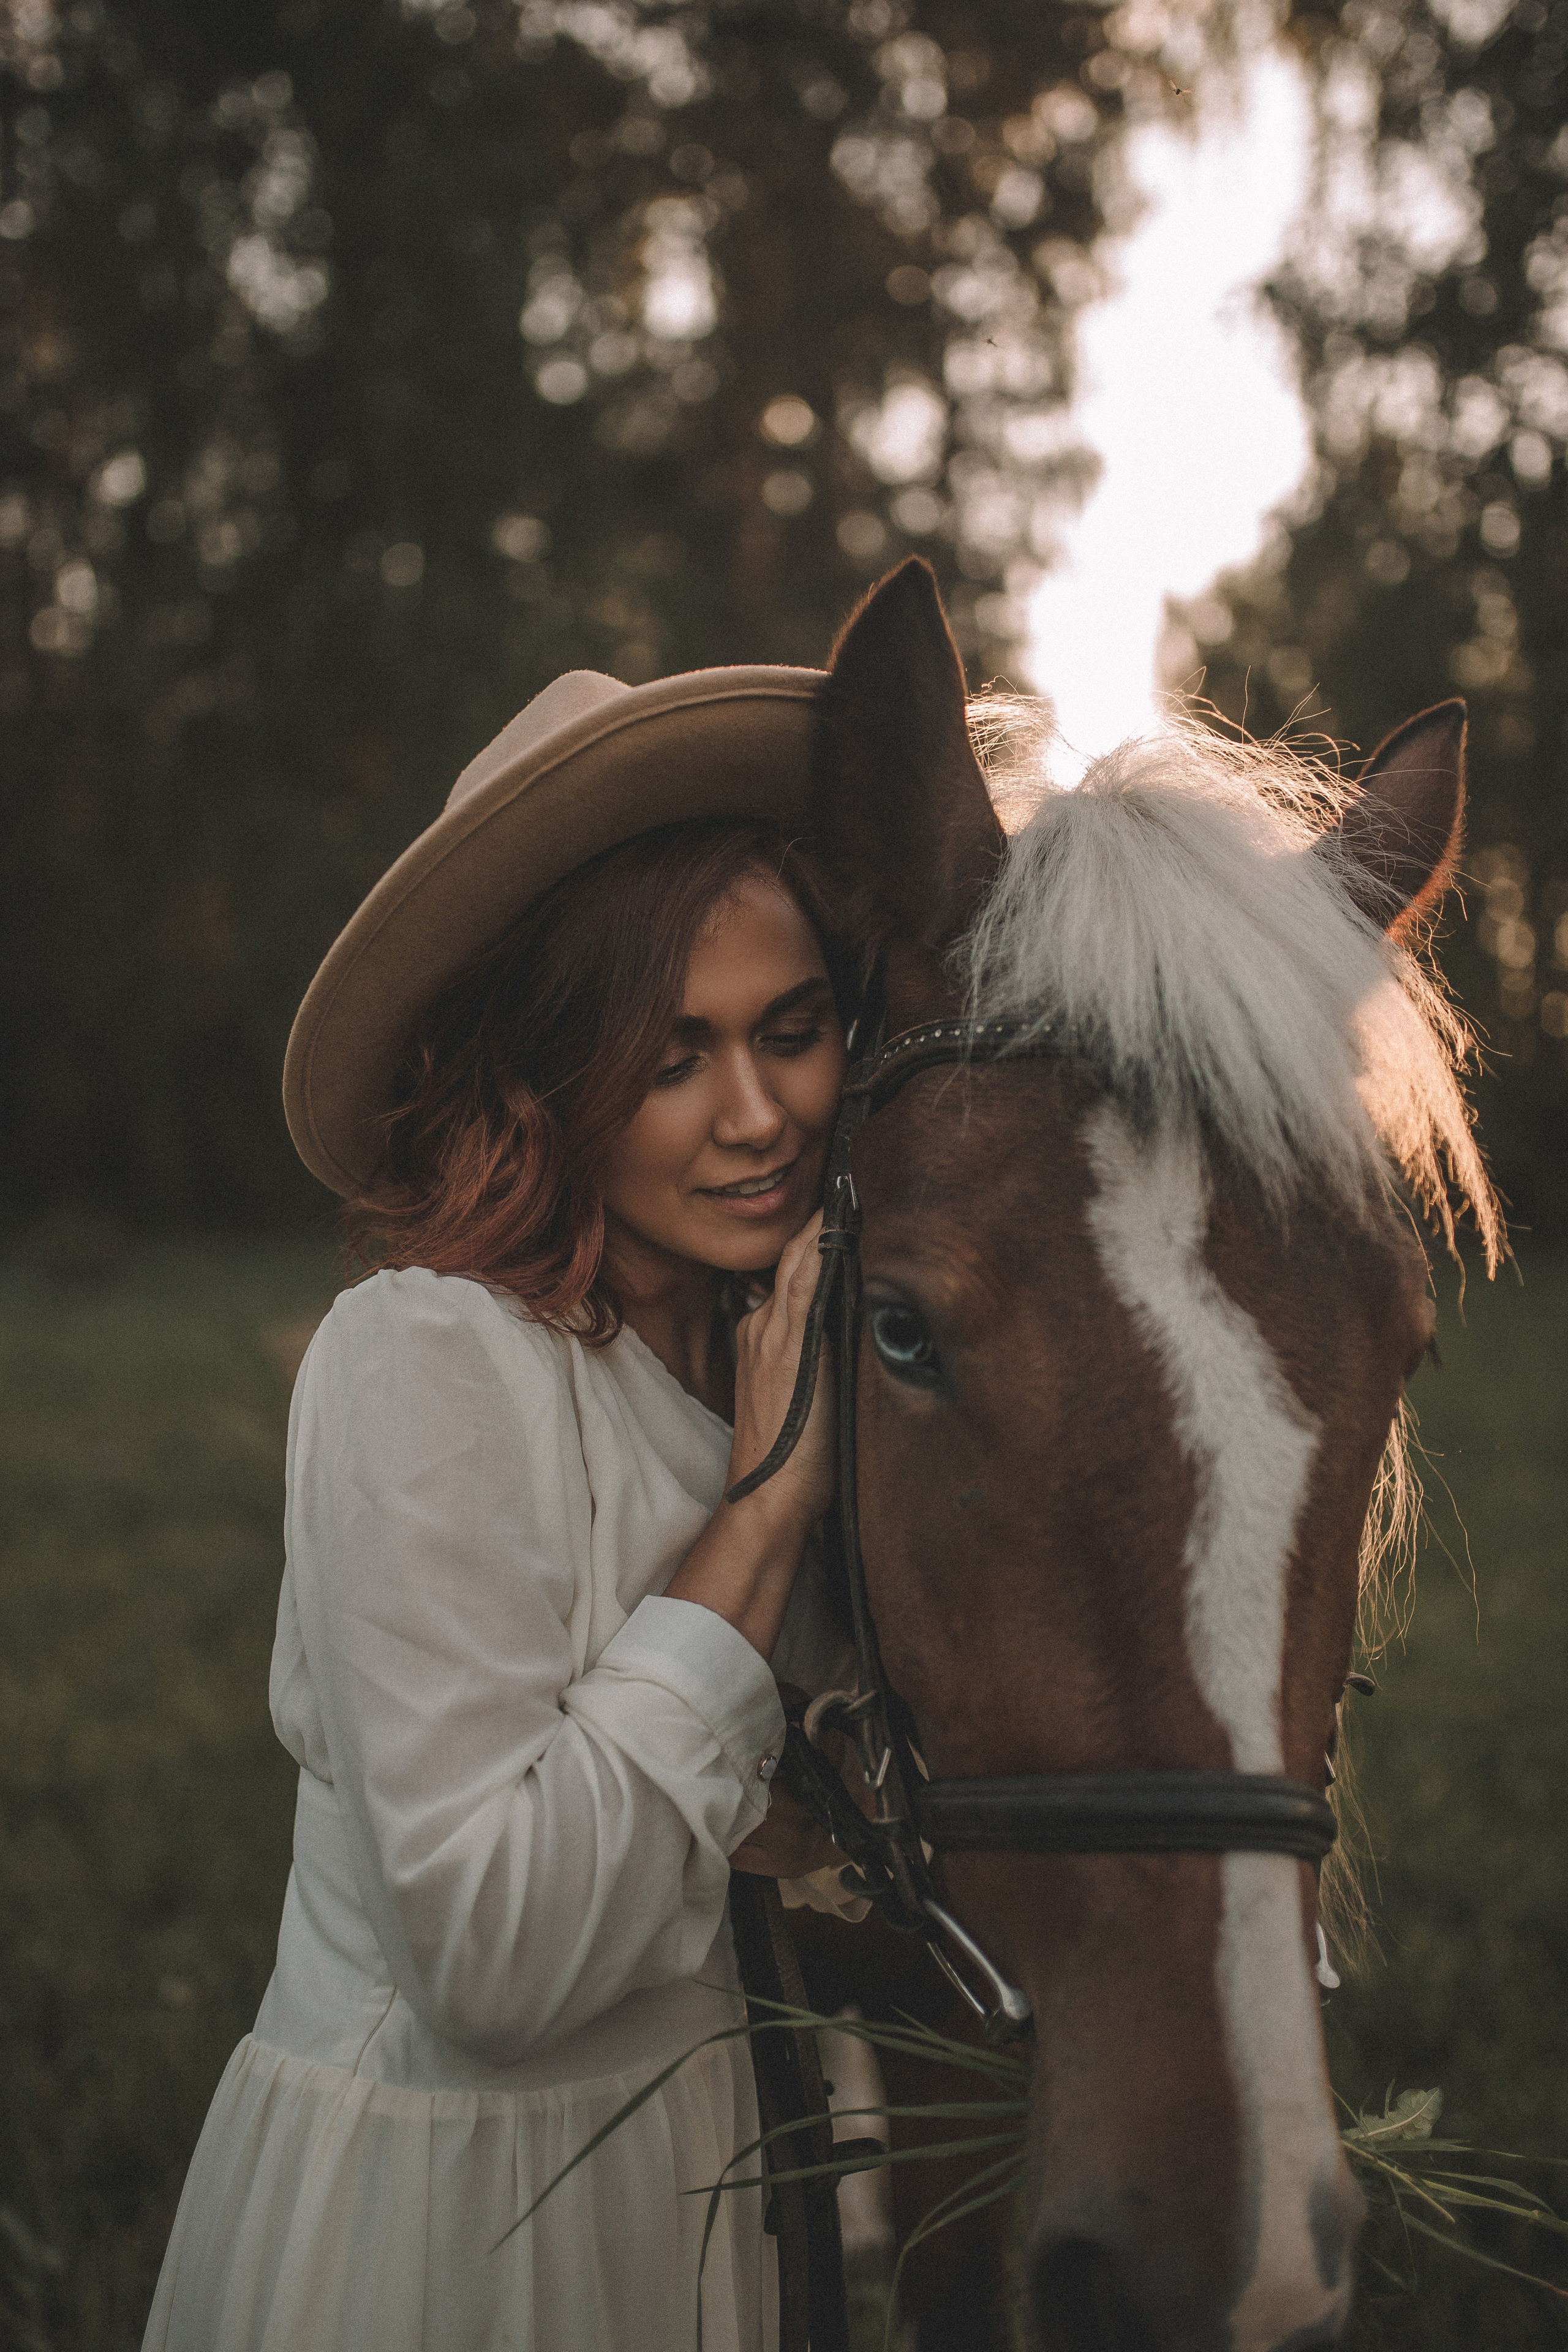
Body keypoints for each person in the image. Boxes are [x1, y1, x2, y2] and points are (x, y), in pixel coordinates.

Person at [141, 661, 873, 2352]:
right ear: (548, 1080)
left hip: (708, 2198)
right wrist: (764, 1514)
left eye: (792, 1031)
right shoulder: (427, 1360)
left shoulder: (790, 1347)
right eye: (671, 1057)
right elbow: (491, 1962)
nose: (759, 1114)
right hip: (445, 2227)